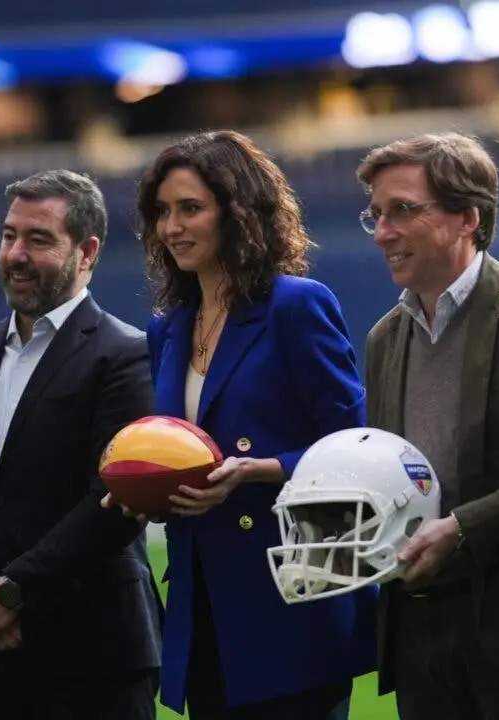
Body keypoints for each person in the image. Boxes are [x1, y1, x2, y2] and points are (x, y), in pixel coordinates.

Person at [107, 129, 374, 720]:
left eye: (190, 209)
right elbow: (182, 450)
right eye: (161, 213)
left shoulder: (296, 305)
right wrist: (146, 491)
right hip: (203, 609)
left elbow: (356, 449)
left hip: (290, 602)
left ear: (238, 214)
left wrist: (262, 470)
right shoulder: (168, 328)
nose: (170, 227)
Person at [354, 132, 499, 720]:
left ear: (468, 217)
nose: (384, 232)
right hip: (417, 634)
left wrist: (461, 528)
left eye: (403, 211)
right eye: (376, 215)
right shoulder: (385, 339)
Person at [0, 169, 163, 720]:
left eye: (39, 239)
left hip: (99, 653)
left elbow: (117, 501)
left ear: (87, 251)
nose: (16, 254)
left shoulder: (125, 355)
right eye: (9, 236)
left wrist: (14, 592)